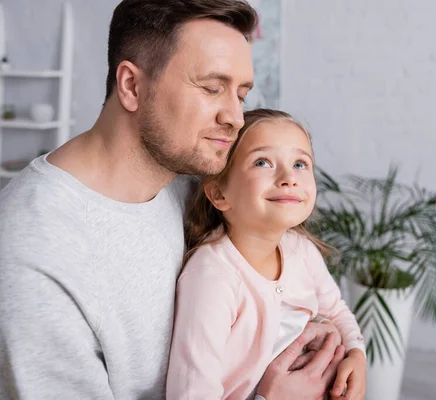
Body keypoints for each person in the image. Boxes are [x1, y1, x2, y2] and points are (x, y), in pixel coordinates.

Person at [0, 1, 343, 399]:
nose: (234, 117)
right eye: (213, 88)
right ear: (131, 85)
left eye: (241, 94)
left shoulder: (188, 190)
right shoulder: (34, 251)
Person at [166, 109, 367, 400]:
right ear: (220, 193)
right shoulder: (213, 278)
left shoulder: (300, 249)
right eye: (263, 162)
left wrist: (356, 353)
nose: (289, 178)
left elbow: (336, 310)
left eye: (300, 163)